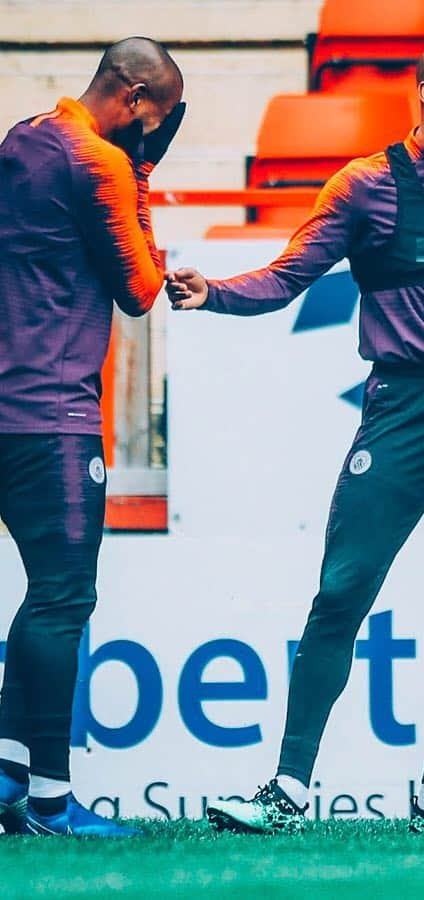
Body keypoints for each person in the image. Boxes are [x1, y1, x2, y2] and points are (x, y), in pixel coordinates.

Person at [166, 37, 424, 835]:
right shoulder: (368, 185)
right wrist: (212, 294)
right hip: (404, 410)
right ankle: (286, 790)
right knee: (343, 594)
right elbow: (286, 278)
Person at [0, 36, 184, 837]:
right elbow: (142, 290)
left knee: (42, 600)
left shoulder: (25, 133)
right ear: (136, 100)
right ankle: (50, 800)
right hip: (53, 415)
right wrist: (142, 171)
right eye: (163, 117)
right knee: (64, 600)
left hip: (10, 403)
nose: (159, 131)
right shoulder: (102, 162)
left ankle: (7, 779)